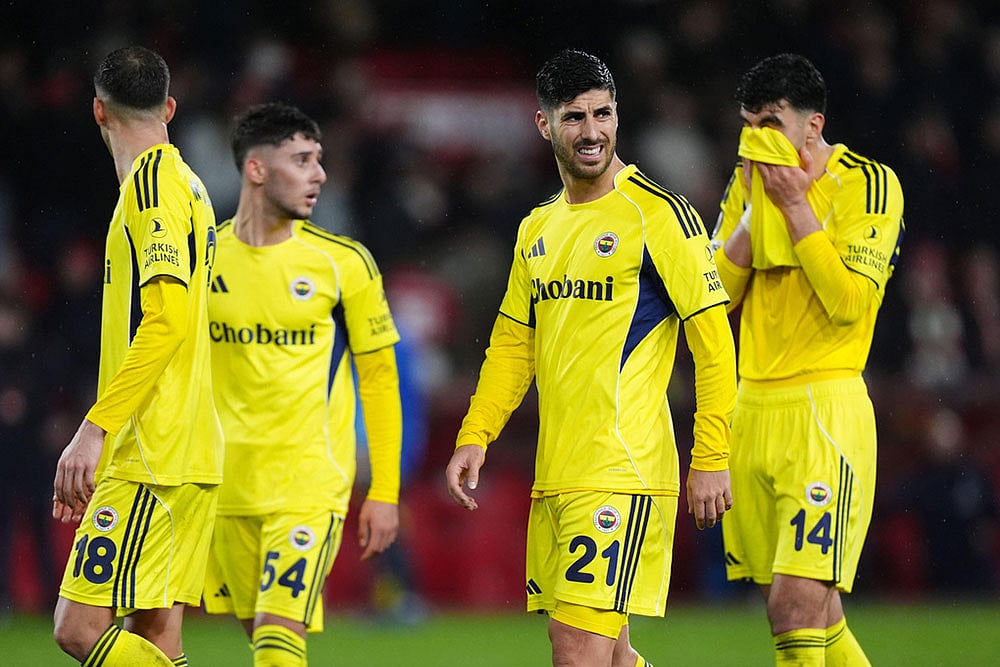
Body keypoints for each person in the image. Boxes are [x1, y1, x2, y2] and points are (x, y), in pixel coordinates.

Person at [445, 49, 737, 667]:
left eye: (603, 114)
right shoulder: (537, 228)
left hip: (621, 469)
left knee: (575, 652)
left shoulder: (658, 215)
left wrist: (711, 454)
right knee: (609, 656)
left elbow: (714, 344)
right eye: (574, 117)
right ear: (544, 125)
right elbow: (511, 347)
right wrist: (477, 434)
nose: (593, 131)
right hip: (558, 471)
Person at [711, 53, 904, 666]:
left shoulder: (868, 185)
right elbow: (714, 298)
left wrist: (795, 207)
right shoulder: (748, 182)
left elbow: (849, 302)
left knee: (793, 607)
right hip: (755, 409)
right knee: (815, 616)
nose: (757, 139)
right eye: (749, 124)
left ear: (813, 126)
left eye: (771, 123)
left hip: (825, 411)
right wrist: (749, 210)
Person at [202, 102, 402, 666]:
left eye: (319, 160)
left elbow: (380, 381)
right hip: (226, 488)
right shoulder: (203, 260)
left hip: (310, 485)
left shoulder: (343, 264)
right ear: (257, 170)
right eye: (302, 160)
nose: (319, 174)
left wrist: (383, 491)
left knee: (275, 642)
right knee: (263, 642)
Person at [51, 46, 223, 666]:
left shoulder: (150, 189)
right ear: (169, 107)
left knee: (77, 629)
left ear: (98, 111)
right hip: (193, 444)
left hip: (151, 449)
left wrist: (96, 428)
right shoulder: (193, 187)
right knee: (157, 636)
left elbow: (168, 320)